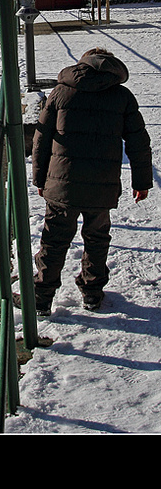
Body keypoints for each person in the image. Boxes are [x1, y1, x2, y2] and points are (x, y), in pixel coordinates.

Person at [31, 47, 152, 311]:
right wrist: (141, 182)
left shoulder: (61, 92)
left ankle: (42, 296)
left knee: (54, 239)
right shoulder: (122, 97)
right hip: (102, 186)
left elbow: (41, 138)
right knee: (97, 238)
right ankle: (92, 293)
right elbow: (138, 142)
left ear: (82, 64)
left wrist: (40, 178)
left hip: (62, 182)